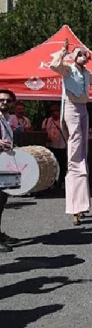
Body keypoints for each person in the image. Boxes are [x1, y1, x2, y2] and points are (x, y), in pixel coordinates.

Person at [49, 41, 92, 225]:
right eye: (81, 54)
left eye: (85, 55)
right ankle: (75, 207)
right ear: (74, 56)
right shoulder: (68, 70)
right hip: (71, 107)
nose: (84, 57)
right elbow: (54, 65)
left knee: (82, 155)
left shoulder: (86, 73)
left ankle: (82, 204)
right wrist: (63, 51)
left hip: (83, 108)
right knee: (76, 154)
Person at [0, 89, 19, 252]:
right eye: (1, 100)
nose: (4, 102)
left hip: (4, 164)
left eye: (8, 100)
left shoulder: (6, 119)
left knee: (1, 202)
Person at [42, 104, 67, 189]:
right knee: (52, 165)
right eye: (53, 111)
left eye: (56, 111)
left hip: (62, 146)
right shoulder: (46, 121)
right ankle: (51, 182)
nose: (55, 113)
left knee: (63, 166)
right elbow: (43, 133)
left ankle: (61, 181)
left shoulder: (64, 121)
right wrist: (46, 138)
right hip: (50, 146)